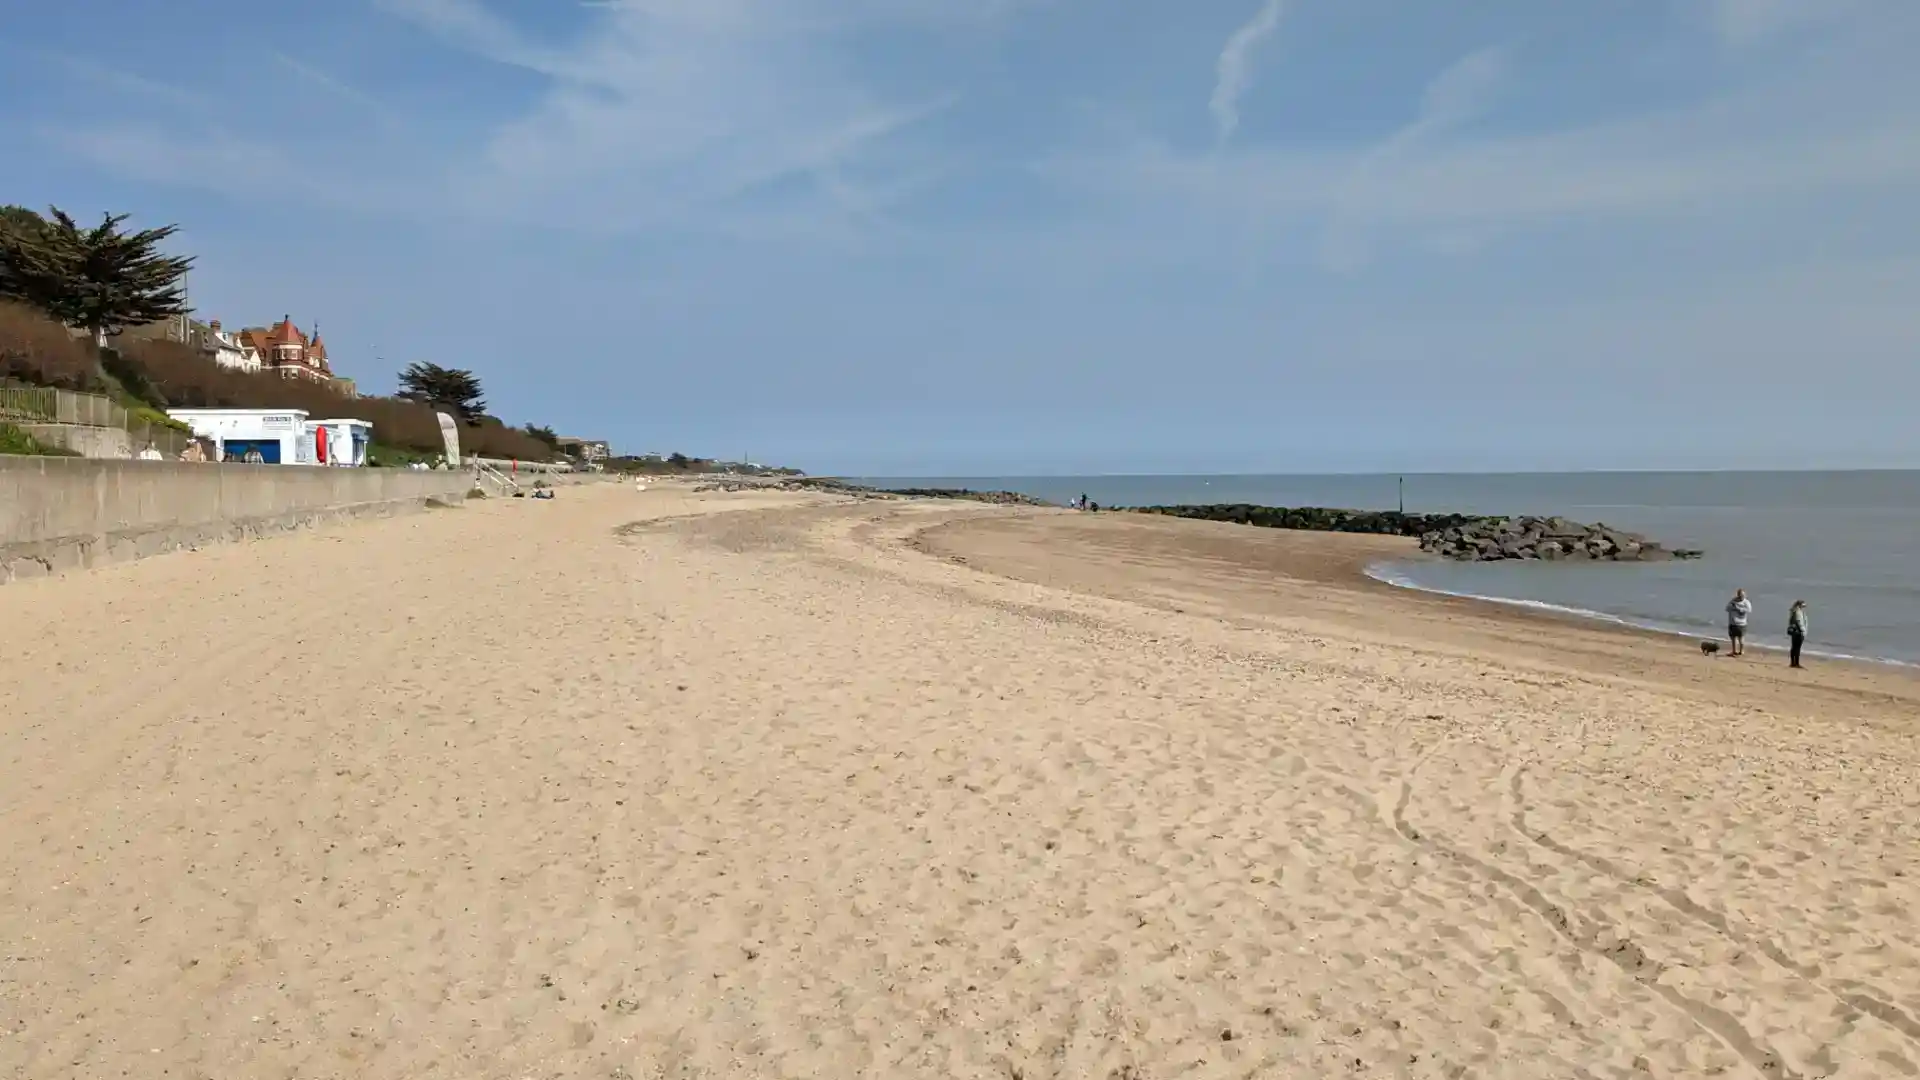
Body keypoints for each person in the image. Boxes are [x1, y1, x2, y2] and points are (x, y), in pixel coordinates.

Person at [1725, 588, 1753, 656]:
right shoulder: (1733, 601)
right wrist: (1733, 606)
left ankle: (1741, 651)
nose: (1741, 596)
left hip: (1741, 624)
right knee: (1733, 638)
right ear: (1737, 595)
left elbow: (1749, 610)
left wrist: (1738, 608)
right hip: (1732, 622)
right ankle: (1733, 651)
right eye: (1740, 595)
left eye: (1742, 595)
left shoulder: (1746, 602)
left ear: (1745, 595)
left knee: (1741, 638)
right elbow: (1727, 608)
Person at [1788, 600, 1809, 668]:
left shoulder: (1794, 611)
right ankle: (1796, 663)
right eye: (1803, 605)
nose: (1804, 607)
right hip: (1798, 632)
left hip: (1794, 632)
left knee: (1794, 647)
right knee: (1797, 648)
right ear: (1800, 605)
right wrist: (1803, 631)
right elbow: (1800, 623)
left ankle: (1793, 662)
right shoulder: (1798, 612)